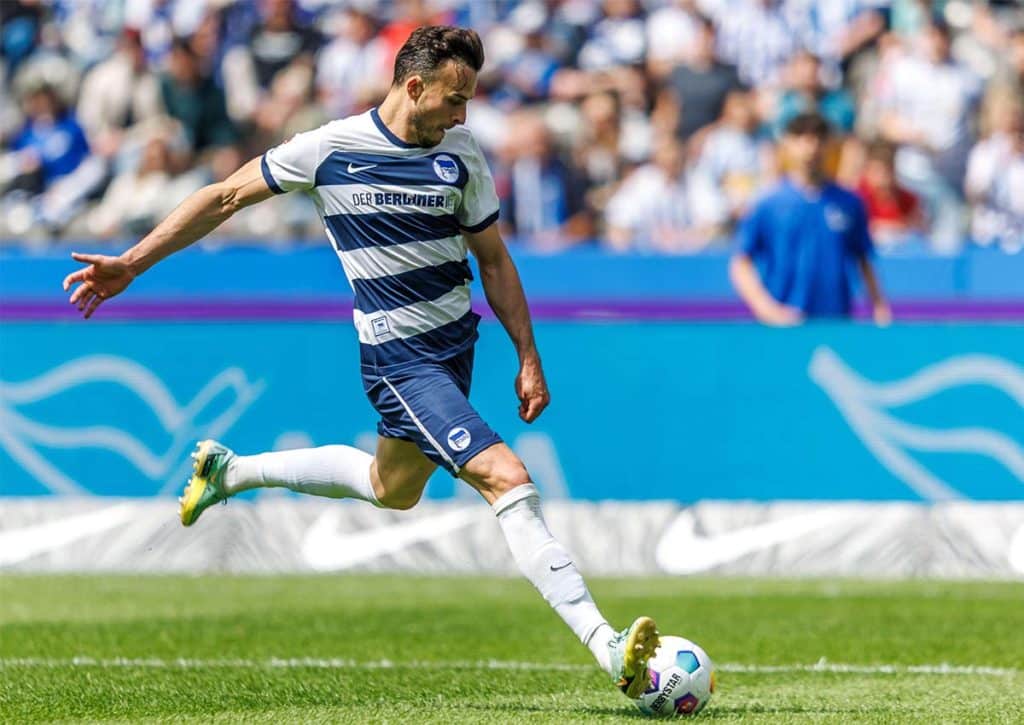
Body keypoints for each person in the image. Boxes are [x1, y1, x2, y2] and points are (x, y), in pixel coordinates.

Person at [60, 25, 660, 701]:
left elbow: (493, 259)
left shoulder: (460, 154)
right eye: (454, 98)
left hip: (455, 350)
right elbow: (224, 196)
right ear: (415, 86)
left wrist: (528, 353)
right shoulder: (330, 149)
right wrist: (132, 263)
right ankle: (606, 644)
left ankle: (231, 470)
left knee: (392, 487)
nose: (463, 114)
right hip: (400, 362)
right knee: (506, 477)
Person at [730, 112, 891, 325]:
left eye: (818, 138)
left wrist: (878, 305)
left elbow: (863, 258)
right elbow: (741, 262)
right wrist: (766, 309)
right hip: (783, 324)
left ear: (828, 145)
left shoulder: (848, 202)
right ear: (787, 144)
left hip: (834, 321)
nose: (810, 147)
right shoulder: (768, 204)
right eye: (801, 138)